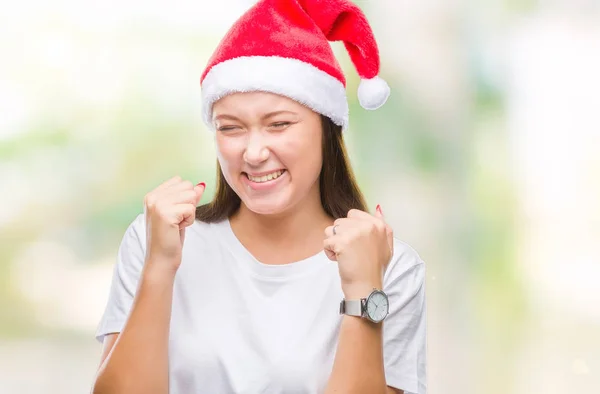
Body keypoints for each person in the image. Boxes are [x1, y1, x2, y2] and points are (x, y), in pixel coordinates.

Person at [91, 0, 426, 393]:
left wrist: (364, 289)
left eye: (279, 124)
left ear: (327, 128)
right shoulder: (157, 239)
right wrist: (160, 266)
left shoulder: (392, 267)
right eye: (230, 128)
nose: (252, 153)